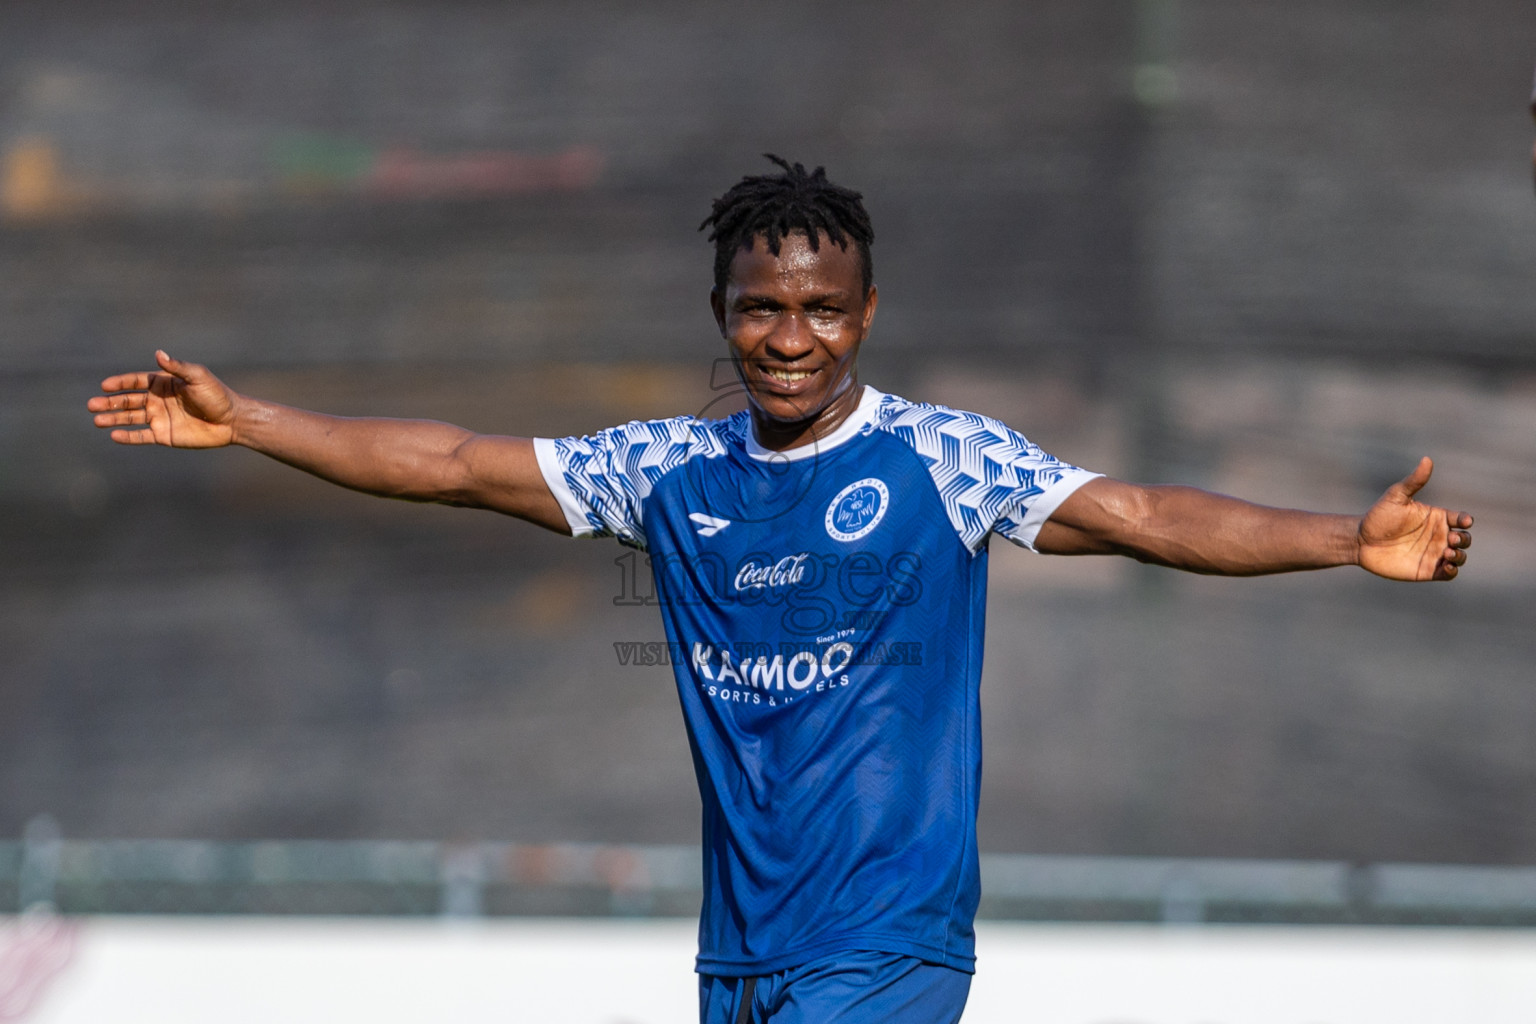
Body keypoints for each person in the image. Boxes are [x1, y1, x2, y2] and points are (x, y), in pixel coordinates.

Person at [87, 156, 1473, 1024]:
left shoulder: (943, 456)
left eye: (820, 308)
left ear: (864, 315)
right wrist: (251, 418)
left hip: (884, 949)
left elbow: (1149, 513)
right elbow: (451, 462)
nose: (790, 335)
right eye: (762, 306)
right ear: (721, 314)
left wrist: (1341, 540)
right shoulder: (668, 468)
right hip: (736, 963)